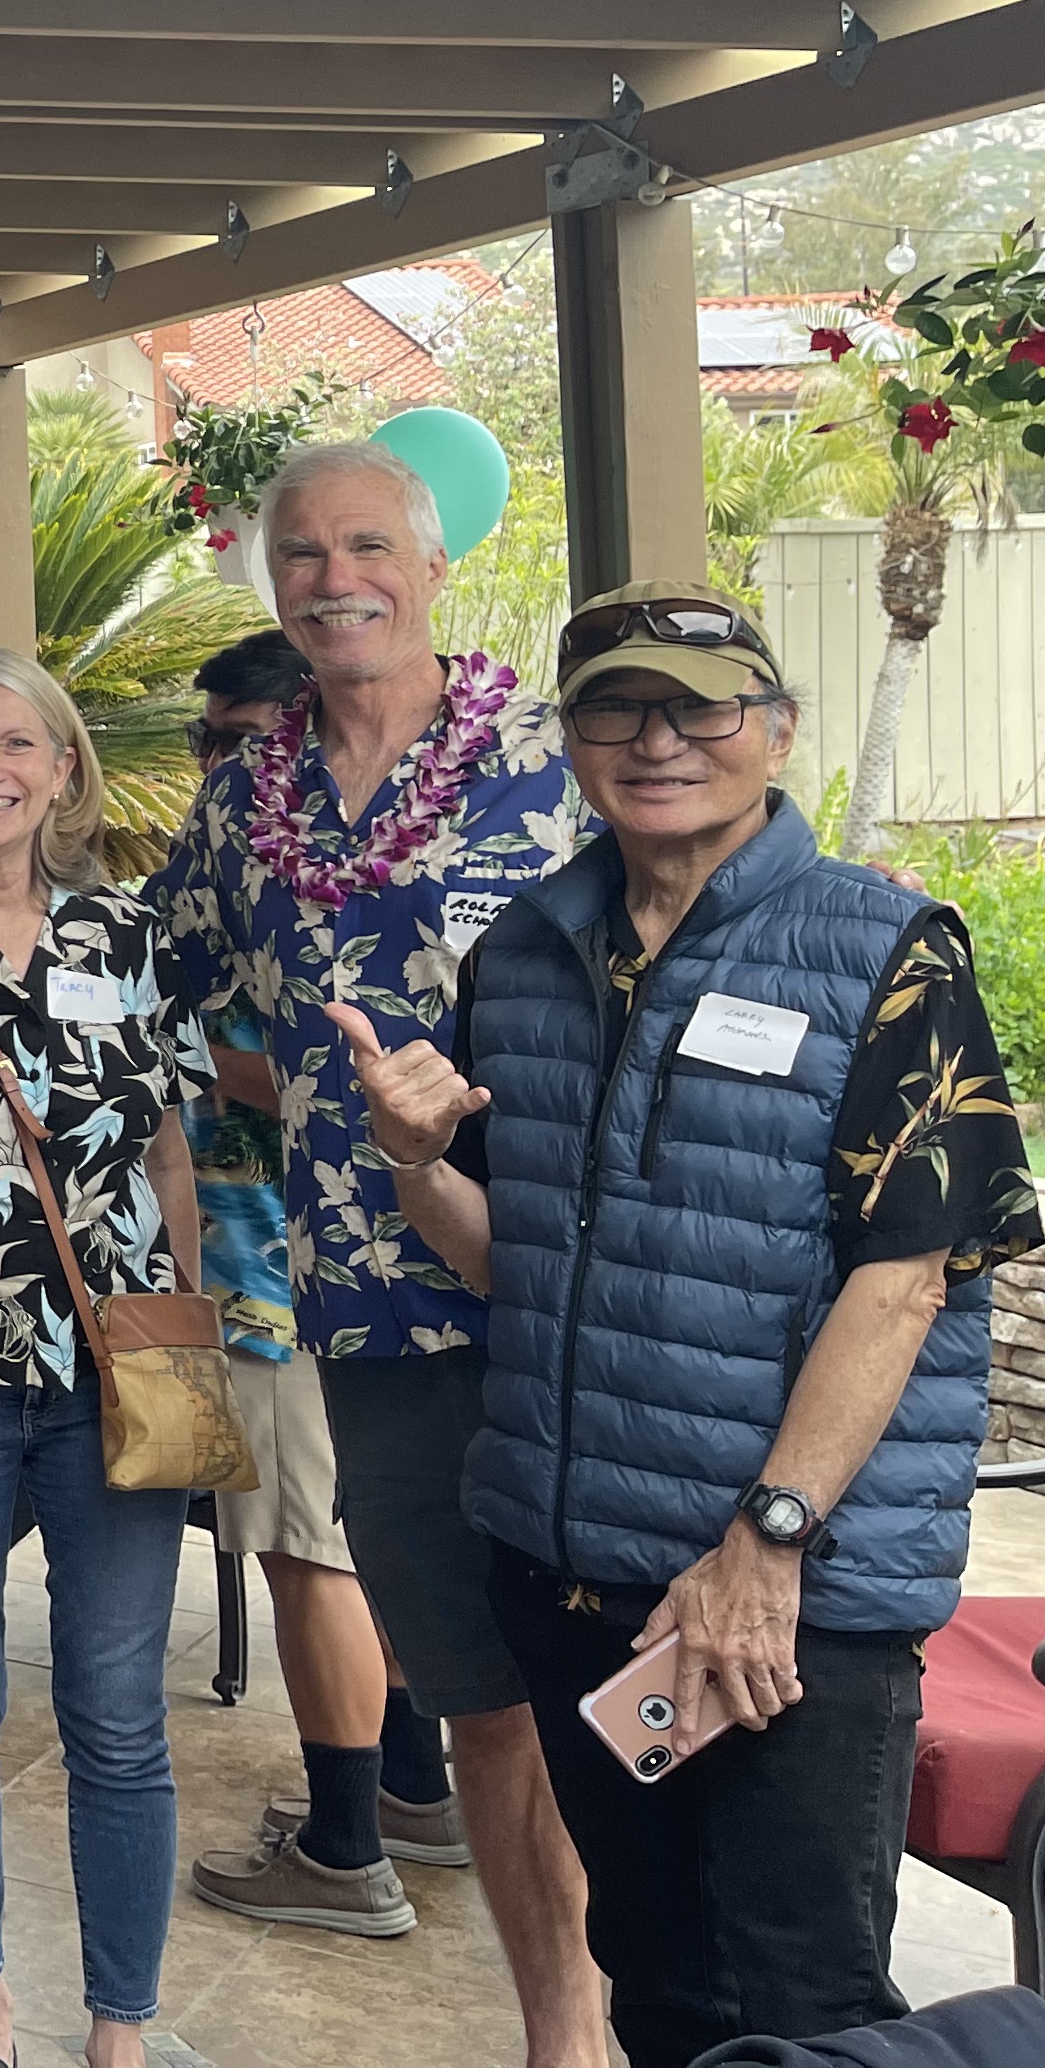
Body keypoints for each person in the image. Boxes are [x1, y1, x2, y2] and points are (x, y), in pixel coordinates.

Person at [351, 584, 1036, 2068]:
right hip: (578, 1577)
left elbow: (909, 1277)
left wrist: (765, 1544)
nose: (658, 739)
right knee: (657, 1979)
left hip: (790, 1597)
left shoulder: (887, 952)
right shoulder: (525, 956)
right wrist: (413, 1161)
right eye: (617, 707)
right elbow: (514, 1264)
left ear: (774, 730)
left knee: (808, 2005)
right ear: (572, 742)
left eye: (701, 706)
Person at [147, 438, 609, 2064]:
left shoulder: (557, 764)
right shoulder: (244, 800)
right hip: (366, 1313)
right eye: (301, 552)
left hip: (569, 1300)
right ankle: (561, 2035)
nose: (334, 577)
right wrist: (300, 1096)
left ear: (430, 564)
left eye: (364, 545)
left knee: (621, 1684)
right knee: (481, 1696)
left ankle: (679, 2010)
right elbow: (177, 994)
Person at [0, 647, 205, 2068]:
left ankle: (121, 2026)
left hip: (118, 1373)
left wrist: (185, 1316)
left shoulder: (128, 935)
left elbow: (169, 1145)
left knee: (118, 1713)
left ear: (65, 769)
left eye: (19, 743)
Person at [175, 630, 453, 1938]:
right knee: (360, 1547)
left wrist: (181, 1043)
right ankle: (413, 1789)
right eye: (209, 742)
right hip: (333, 1271)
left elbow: (299, 1073)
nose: (219, 768)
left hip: (278, 1269)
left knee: (309, 1557)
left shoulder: (297, 890)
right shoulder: (292, 879)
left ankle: (345, 1852)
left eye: (241, 741)